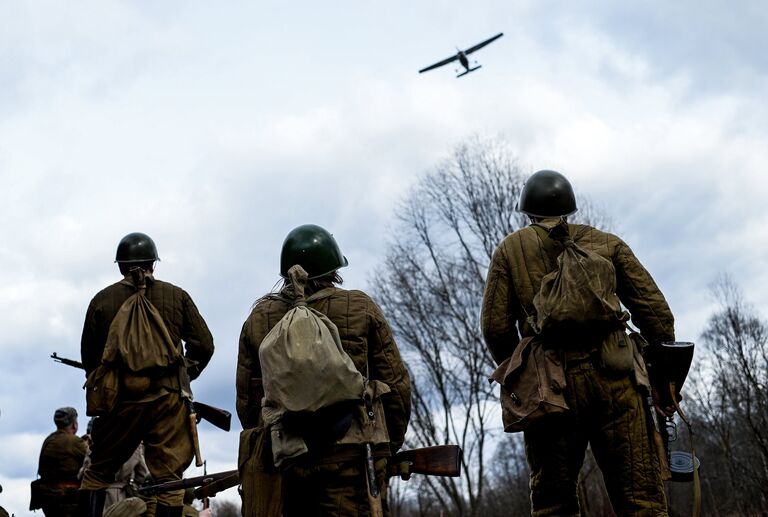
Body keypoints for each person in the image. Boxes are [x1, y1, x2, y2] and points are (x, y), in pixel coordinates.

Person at [480, 170, 676, 517]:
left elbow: (495, 328)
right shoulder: (607, 243)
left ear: (529, 213)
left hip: (551, 391)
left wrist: (526, 374)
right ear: (569, 209)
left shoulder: (511, 250)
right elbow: (657, 316)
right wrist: (664, 383)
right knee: (642, 500)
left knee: (553, 503)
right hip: (617, 381)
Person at [236, 224, 411, 516]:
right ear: (334, 269)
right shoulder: (360, 307)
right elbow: (396, 386)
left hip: (287, 462)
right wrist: (387, 448)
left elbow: (248, 402)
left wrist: (275, 443)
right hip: (352, 461)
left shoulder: (258, 319)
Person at [79, 232, 215, 517]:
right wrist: (183, 373)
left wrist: (112, 382)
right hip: (167, 402)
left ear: (120, 266)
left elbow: (90, 359)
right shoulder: (177, 296)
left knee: (97, 474)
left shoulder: (102, 301)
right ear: (154, 262)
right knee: (169, 480)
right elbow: (204, 345)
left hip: (120, 404)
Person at [35, 407, 89, 517]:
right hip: (68, 499)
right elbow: (92, 457)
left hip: (48, 499)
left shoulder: (48, 440)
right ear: (74, 425)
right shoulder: (74, 441)